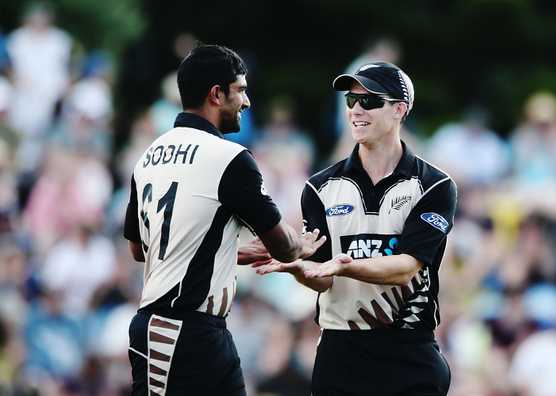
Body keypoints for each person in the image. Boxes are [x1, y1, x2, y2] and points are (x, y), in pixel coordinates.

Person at [122, 43, 325, 396]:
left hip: (198, 330)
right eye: (241, 91)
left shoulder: (148, 156)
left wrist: (229, 252)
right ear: (216, 94)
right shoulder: (229, 158)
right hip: (177, 329)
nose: (246, 102)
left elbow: (140, 249)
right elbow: (284, 245)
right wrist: (301, 245)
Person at [257, 62, 457, 395]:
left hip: (407, 348)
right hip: (341, 352)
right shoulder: (319, 187)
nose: (356, 110)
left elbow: (406, 267)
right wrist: (299, 271)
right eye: (351, 100)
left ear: (399, 110)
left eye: (369, 101)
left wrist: (346, 265)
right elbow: (323, 278)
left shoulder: (434, 185)